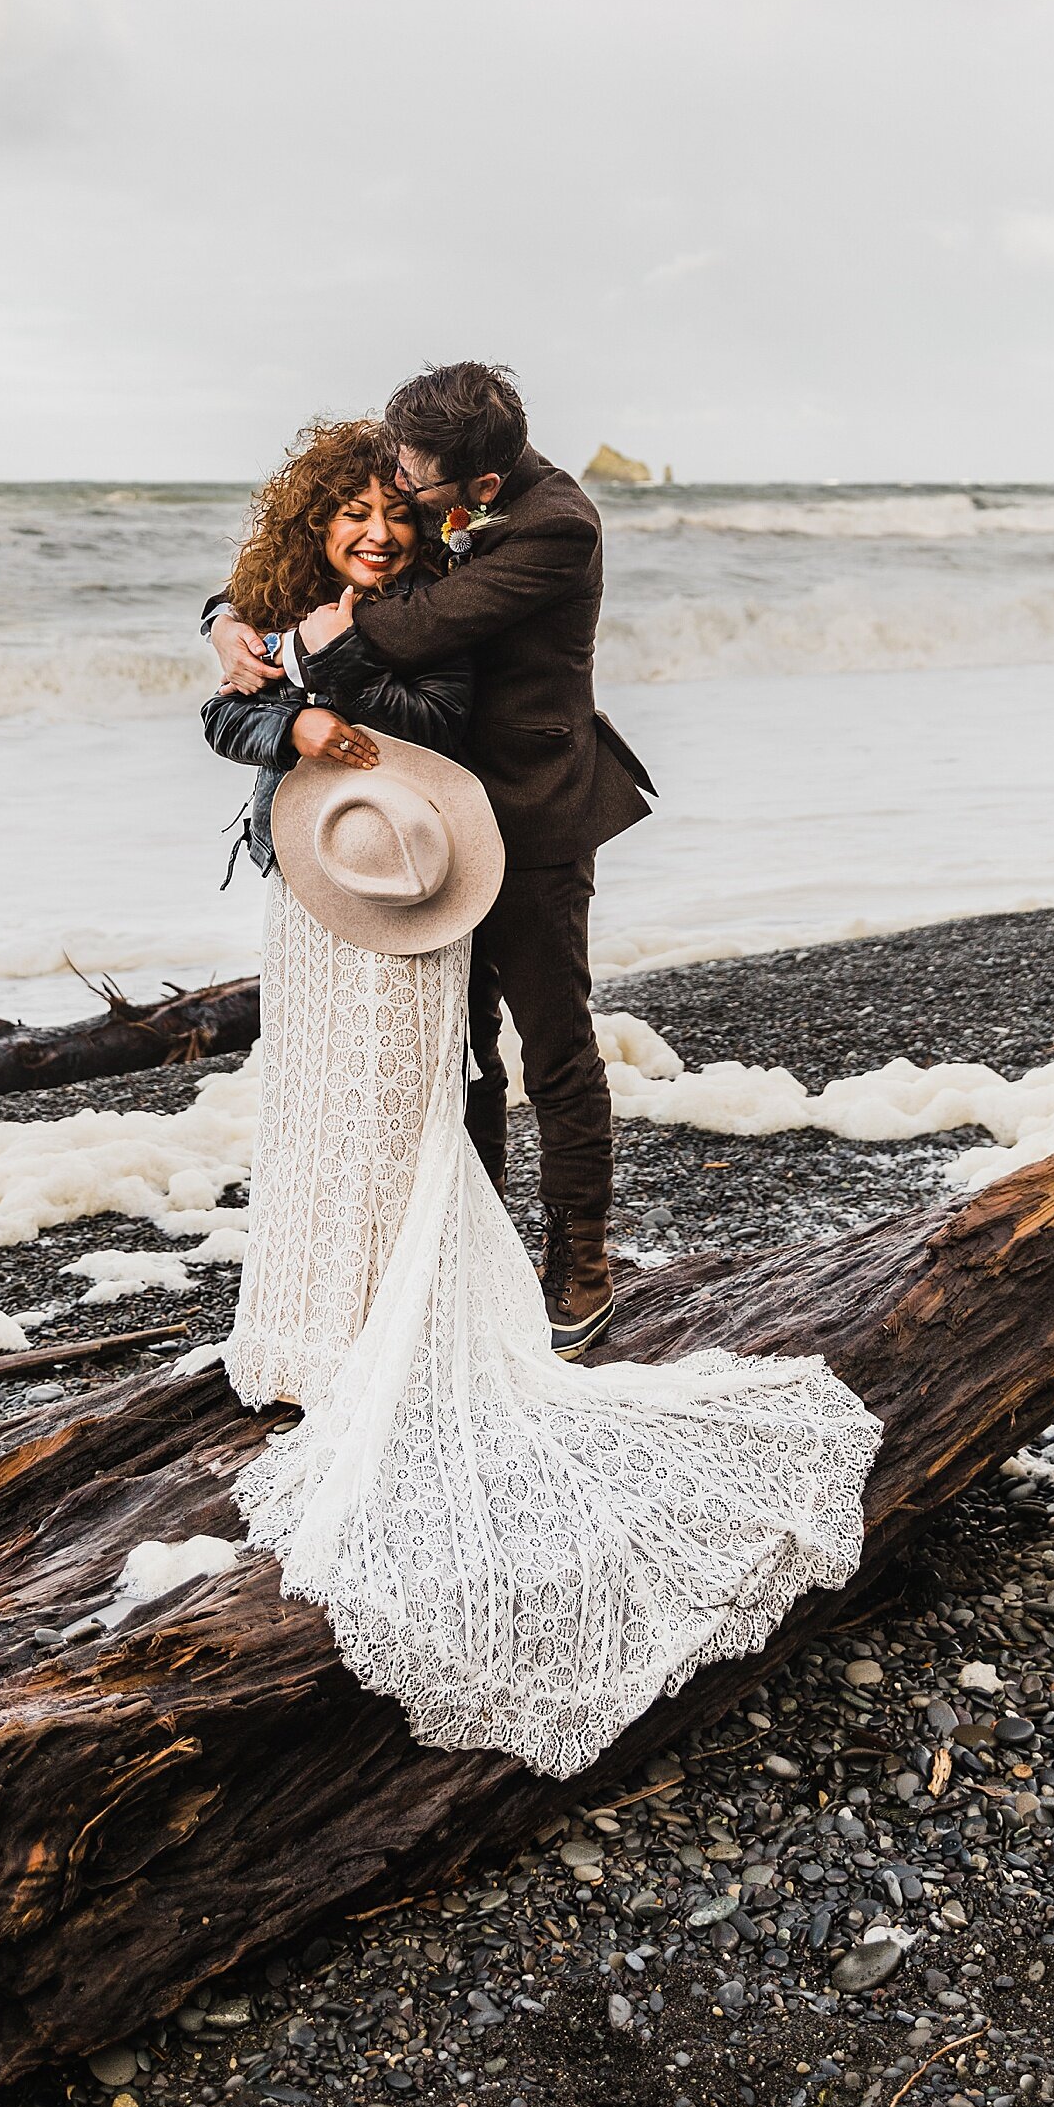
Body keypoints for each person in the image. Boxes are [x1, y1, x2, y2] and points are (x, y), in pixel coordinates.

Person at [204, 413, 879, 1779]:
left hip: (503, 835)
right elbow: (231, 703)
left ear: (464, 490)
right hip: (334, 872)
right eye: (366, 505)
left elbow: (418, 678)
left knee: (534, 1053)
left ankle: (570, 1263)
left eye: (406, 503)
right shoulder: (389, 559)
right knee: (337, 1103)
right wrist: (256, 655)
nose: (387, 524)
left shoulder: (534, 536)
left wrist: (319, 676)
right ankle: (321, 1314)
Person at [208, 361, 652, 1359]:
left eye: (417, 486)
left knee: (556, 1046)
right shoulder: (451, 480)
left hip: (528, 816)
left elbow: (414, 623)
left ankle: (582, 1257)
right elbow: (319, 555)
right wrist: (228, 620)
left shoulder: (558, 526)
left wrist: (305, 651)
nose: (401, 497)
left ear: (479, 490)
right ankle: (471, 1253)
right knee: (456, 1052)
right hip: (419, 828)